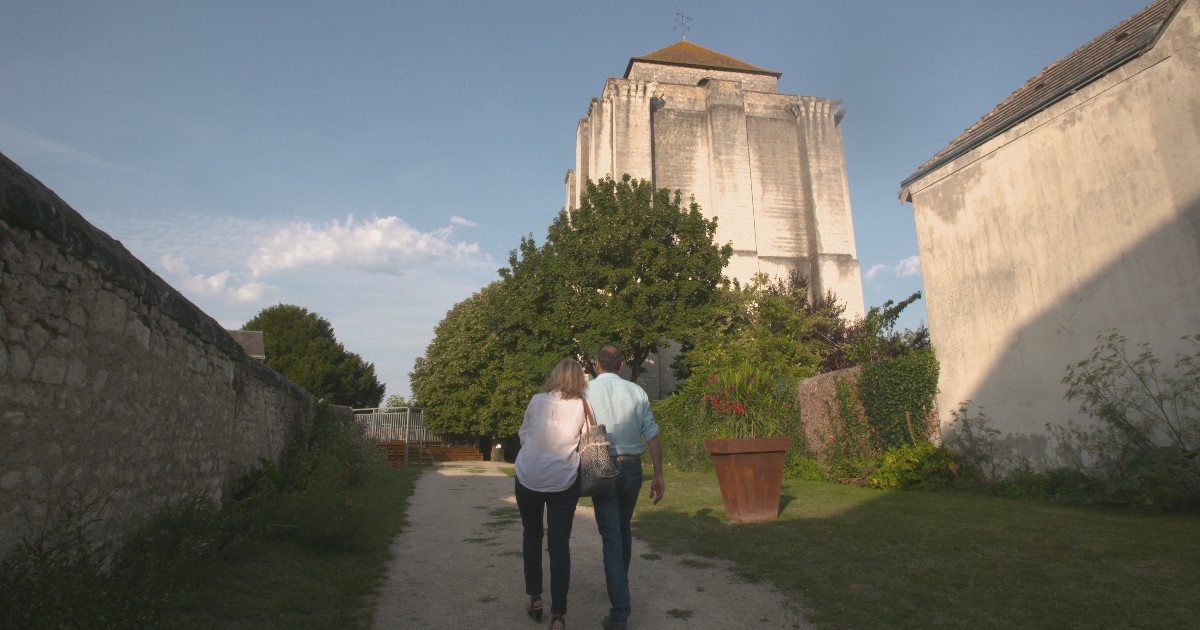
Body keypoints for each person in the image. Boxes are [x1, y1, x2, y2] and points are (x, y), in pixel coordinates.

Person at [585, 343, 665, 630]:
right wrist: (658, 474)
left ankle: (619, 614)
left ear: (596, 364)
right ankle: (620, 584)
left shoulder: (585, 392)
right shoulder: (636, 391)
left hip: (602, 466)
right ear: (621, 365)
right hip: (633, 468)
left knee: (611, 537)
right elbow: (652, 433)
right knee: (622, 528)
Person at [514, 358, 588, 630]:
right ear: (580, 380)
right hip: (563, 477)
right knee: (559, 544)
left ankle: (535, 598)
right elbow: (587, 441)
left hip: (528, 474)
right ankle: (558, 615)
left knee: (532, 534)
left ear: (555, 376)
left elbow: (524, 434)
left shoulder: (536, 400)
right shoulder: (582, 406)